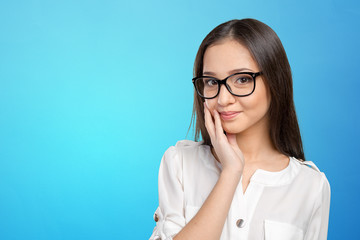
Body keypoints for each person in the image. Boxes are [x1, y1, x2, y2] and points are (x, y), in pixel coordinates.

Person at [149, 18, 331, 240]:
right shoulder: (180, 163)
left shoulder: (310, 186)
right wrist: (231, 172)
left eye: (243, 79)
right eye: (211, 82)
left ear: (275, 80)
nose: (223, 99)